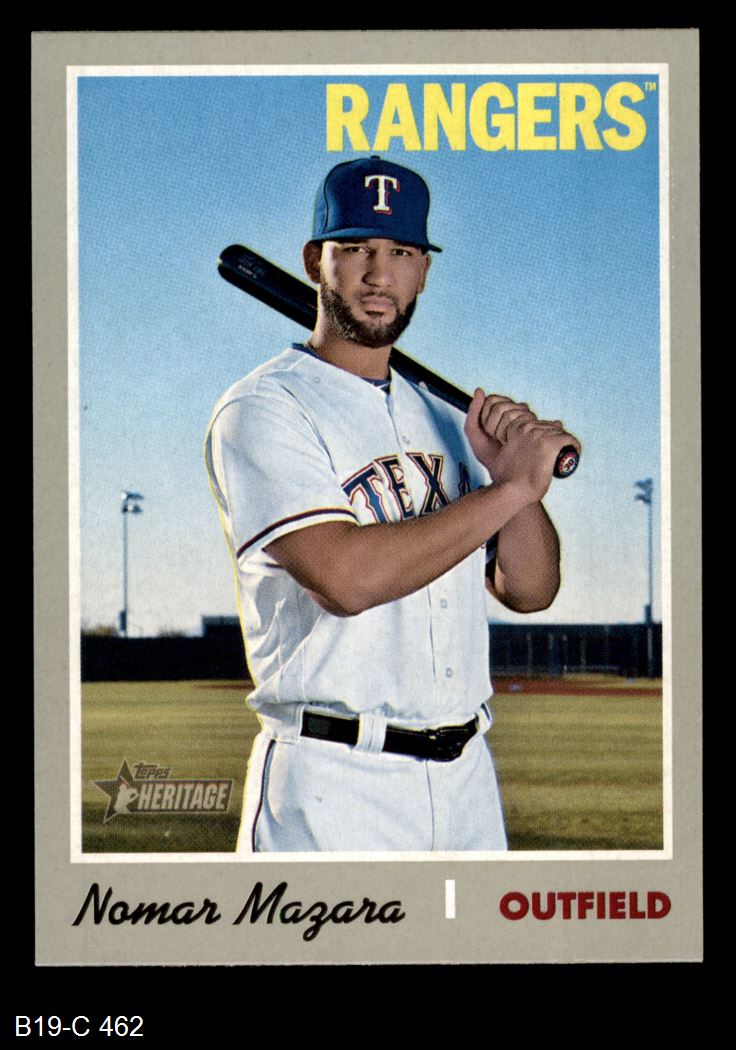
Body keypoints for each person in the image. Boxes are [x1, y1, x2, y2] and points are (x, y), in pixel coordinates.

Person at [205, 155, 580, 852]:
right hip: (334, 780)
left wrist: (516, 485)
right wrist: (508, 490)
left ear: (424, 272)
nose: (380, 275)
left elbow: (530, 590)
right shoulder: (265, 408)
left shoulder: (445, 419)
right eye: (357, 249)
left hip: (468, 783)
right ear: (315, 261)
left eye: (402, 253)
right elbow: (346, 580)